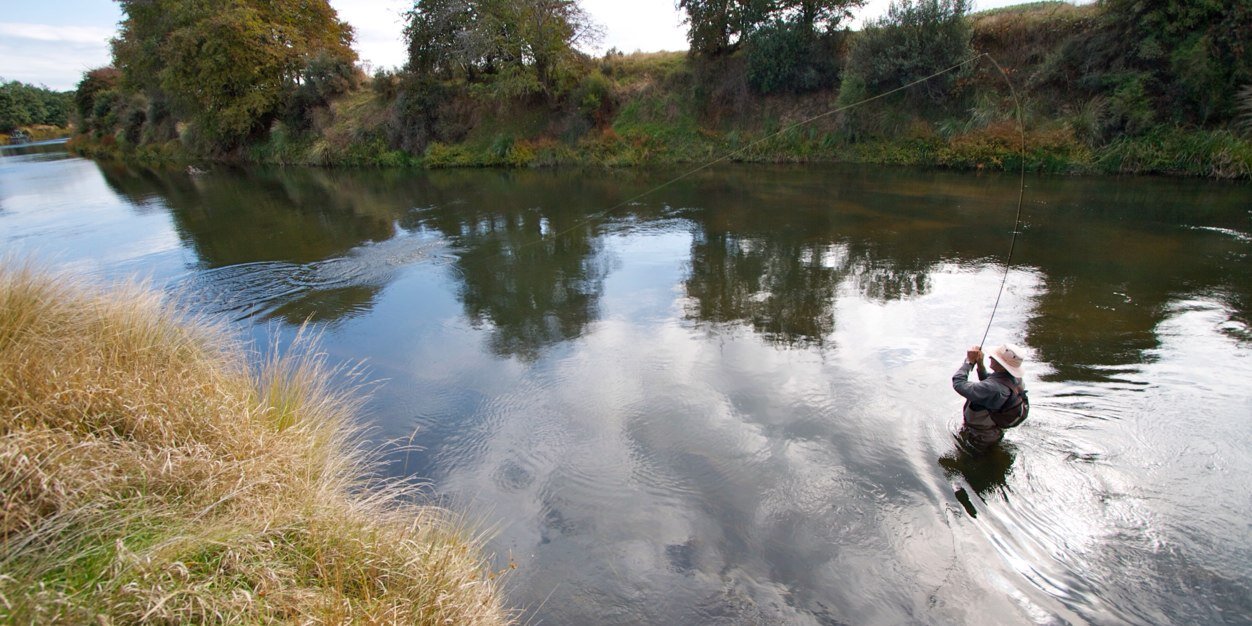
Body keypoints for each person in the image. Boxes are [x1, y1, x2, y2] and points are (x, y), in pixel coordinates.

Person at [951, 343, 1027, 449]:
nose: (990, 357)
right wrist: (980, 365)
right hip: (992, 432)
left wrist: (969, 362)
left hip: (980, 438)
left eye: (994, 357)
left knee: (972, 459)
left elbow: (959, 384)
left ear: (1001, 364)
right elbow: (989, 384)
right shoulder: (1015, 380)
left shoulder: (993, 388)